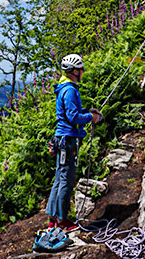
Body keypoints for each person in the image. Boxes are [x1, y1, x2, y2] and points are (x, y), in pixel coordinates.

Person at [46, 53, 102, 233]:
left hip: (62, 139)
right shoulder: (70, 90)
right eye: (81, 69)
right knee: (66, 181)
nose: (83, 71)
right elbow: (73, 117)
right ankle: (62, 221)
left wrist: (87, 112)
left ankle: (53, 219)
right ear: (74, 71)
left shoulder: (63, 87)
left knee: (59, 179)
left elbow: (71, 113)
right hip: (68, 141)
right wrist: (91, 117)